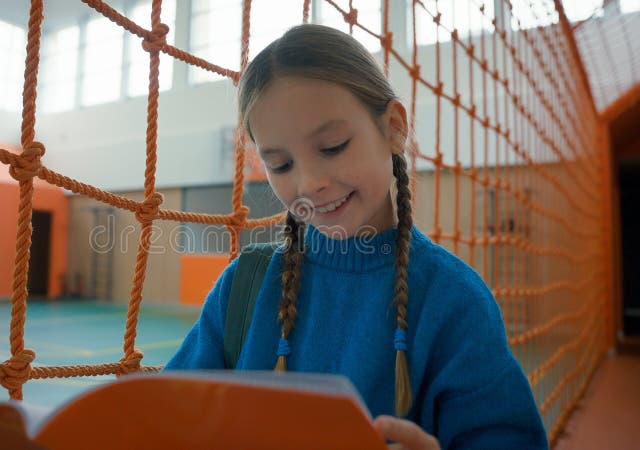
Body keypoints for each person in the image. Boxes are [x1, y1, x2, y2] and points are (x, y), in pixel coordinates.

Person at [166, 24, 547, 449]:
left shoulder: (452, 300)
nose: (309, 183)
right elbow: (170, 417)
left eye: (332, 147)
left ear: (394, 128)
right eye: (281, 165)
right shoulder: (243, 287)